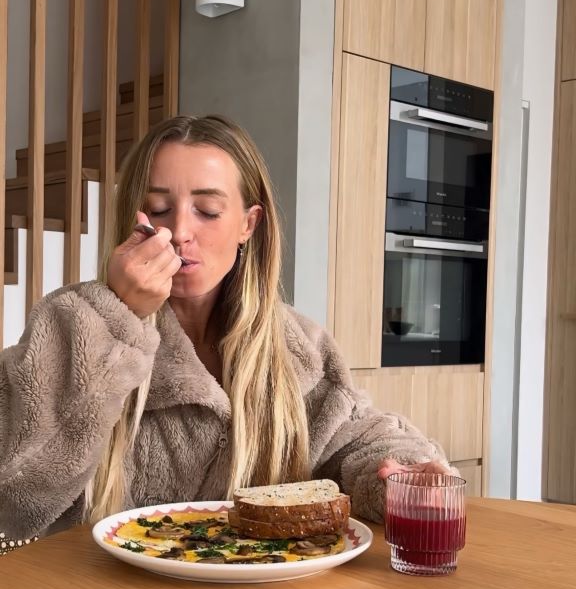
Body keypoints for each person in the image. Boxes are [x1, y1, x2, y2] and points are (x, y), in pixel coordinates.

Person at [0, 115, 453, 541]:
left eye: (208, 211)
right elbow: (17, 495)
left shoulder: (297, 345)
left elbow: (357, 439)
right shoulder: (78, 324)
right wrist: (119, 319)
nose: (179, 231)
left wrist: (403, 475)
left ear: (247, 224)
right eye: (158, 208)